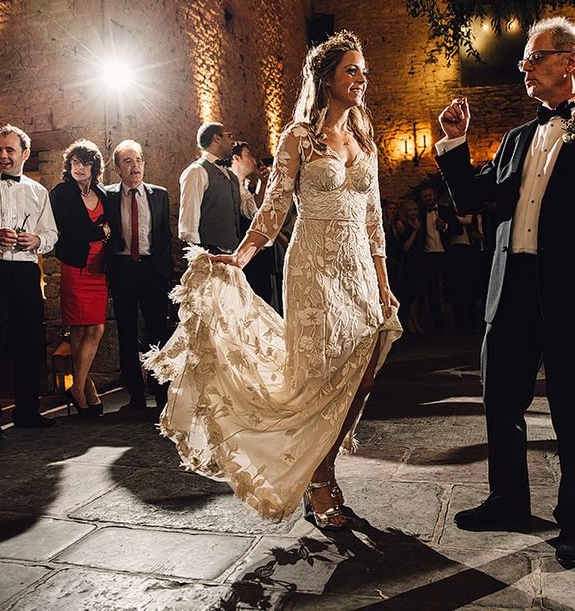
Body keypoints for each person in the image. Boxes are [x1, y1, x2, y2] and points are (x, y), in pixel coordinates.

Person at [145, 30, 402, 527]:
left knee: (364, 370)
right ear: (327, 78)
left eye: (363, 71)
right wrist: (241, 258)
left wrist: (384, 280)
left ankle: (320, 467)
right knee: (319, 375)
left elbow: (374, 219)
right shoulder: (298, 137)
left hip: (359, 270)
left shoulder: (365, 139)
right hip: (313, 265)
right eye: (352, 70)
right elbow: (274, 206)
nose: (361, 79)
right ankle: (321, 478)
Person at [435, 16, 575, 569]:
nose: (524, 66)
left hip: (567, 293)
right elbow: (473, 199)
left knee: (571, 410)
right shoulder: (519, 138)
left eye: (534, 57)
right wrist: (453, 142)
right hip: (510, 288)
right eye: (523, 59)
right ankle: (508, 499)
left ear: (569, 61)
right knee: (501, 401)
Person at [0, 125, 58, 440]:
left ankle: (28, 412)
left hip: (27, 271)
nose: (3, 156)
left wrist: (37, 240)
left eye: (10, 150)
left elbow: (51, 234)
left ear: (24, 154)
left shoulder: (38, 191)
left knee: (29, 342)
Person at [104, 140, 173, 409]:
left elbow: (165, 234)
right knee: (127, 331)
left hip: (152, 270)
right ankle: (135, 392)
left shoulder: (160, 195)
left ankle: (160, 389)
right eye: (128, 162)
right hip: (122, 269)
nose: (135, 167)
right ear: (117, 168)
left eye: (139, 161)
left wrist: (164, 267)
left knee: (157, 330)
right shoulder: (107, 195)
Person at [49, 140, 110, 418]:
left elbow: (111, 228)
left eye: (84, 163)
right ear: (68, 166)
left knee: (95, 328)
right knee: (79, 329)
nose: (79, 167)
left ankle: (80, 386)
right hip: (75, 266)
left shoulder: (102, 194)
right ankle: (84, 390)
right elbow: (69, 230)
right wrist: (99, 231)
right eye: (74, 162)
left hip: (99, 268)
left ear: (94, 166)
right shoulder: (61, 193)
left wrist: (101, 232)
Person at [178, 122, 253, 253]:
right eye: (229, 136)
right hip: (208, 253)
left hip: (232, 254)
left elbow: (248, 210)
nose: (233, 142)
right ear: (217, 138)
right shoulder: (197, 170)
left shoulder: (232, 176)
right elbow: (189, 221)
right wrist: (198, 256)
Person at [228, 141, 274, 304]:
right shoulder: (229, 185)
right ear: (236, 158)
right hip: (238, 248)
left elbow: (255, 211)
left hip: (254, 253)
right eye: (249, 155)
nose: (254, 160)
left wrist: (263, 182)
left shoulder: (245, 187)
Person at [419, 186, 462, 333]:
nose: (428, 198)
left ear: (434, 195)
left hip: (446, 255)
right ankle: (438, 326)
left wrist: (445, 226)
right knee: (432, 292)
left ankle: (459, 324)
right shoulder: (419, 214)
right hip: (428, 256)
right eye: (425, 196)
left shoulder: (446, 210)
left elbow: (458, 230)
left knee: (454, 289)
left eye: (429, 195)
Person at [396, 199, 425, 334]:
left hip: (419, 260)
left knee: (416, 293)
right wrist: (414, 232)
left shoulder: (419, 223)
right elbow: (405, 247)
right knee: (410, 293)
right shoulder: (402, 225)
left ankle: (414, 322)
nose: (413, 212)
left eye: (415, 209)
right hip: (409, 262)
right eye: (410, 210)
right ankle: (412, 323)